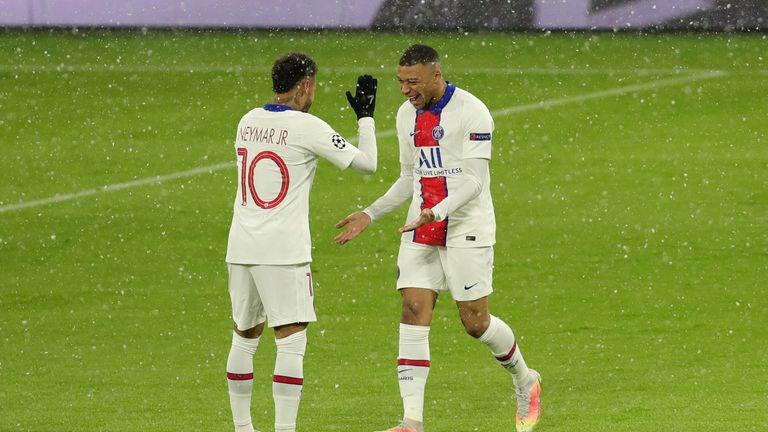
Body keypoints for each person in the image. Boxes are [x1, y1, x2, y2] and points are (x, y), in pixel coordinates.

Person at [334, 44, 541, 432]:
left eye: (413, 81)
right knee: (413, 309)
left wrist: (438, 210)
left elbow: (475, 182)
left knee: (475, 323)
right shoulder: (404, 115)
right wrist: (370, 212)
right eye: (400, 82)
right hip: (420, 224)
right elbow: (408, 177)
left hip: (466, 224)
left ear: (435, 75)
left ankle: (525, 379)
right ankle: (412, 421)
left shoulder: (472, 111)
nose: (405, 89)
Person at [224, 52, 377, 432]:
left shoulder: (248, 121)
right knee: (291, 340)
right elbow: (367, 164)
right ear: (306, 84)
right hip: (282, 250)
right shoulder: (308, 126)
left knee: (245, 335)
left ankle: (243, 428)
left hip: (241, 244)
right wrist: (366, 118)